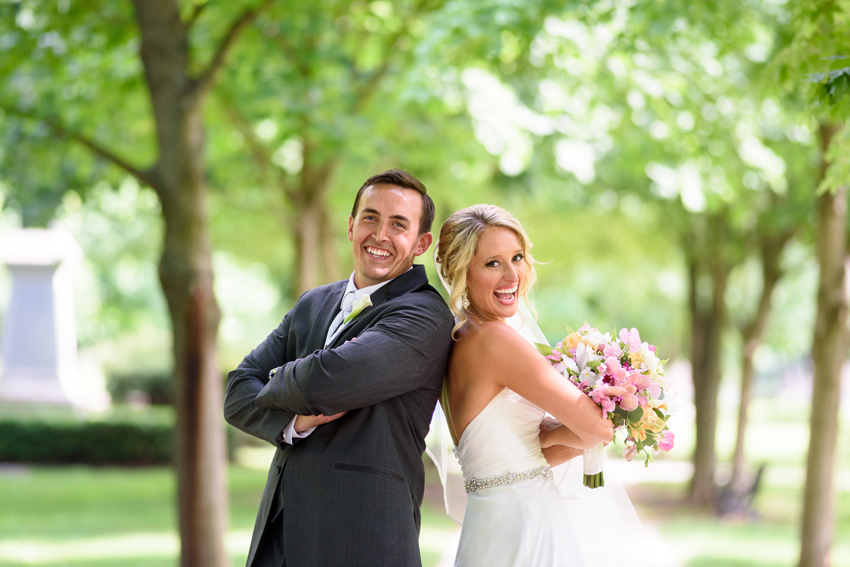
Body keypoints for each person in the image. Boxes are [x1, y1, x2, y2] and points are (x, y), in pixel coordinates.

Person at [224, 169, 454, 567]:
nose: (380, 235)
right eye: (370, 217)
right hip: (279, 536)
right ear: (350, 226)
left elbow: (326, 382)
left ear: (422, 243)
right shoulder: (313, 303)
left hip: (363, 539)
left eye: (398, 225)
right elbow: (236, 392)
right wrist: (298, 419)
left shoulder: (425, 316)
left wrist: (282, 376)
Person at [434, 204, 616, 567]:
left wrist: (546, 438)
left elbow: (520, 458)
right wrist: (553, 432)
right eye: (492, 263)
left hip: (489, 522)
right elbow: (598, 428)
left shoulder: (457, 339)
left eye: (516, 258)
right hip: (526, 521)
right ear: (461, 272)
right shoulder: (496, 340)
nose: (512, 275)